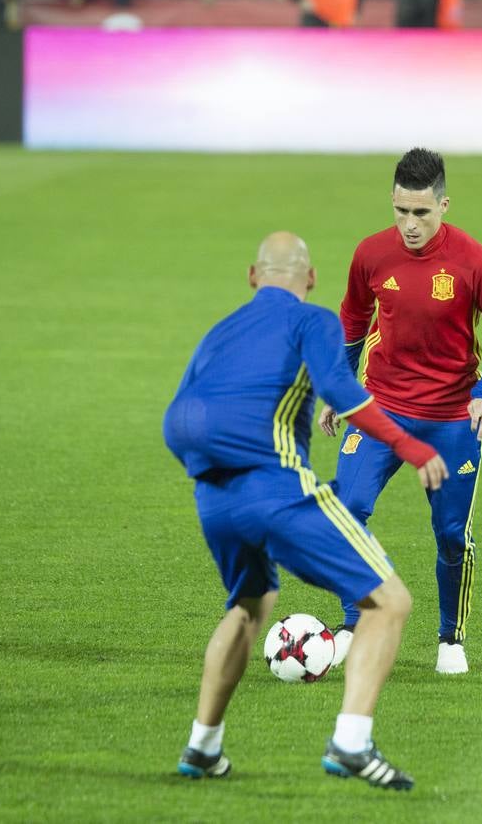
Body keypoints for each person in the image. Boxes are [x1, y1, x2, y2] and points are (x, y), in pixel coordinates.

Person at [164, 232, 448, 791]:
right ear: (311, 279)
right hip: (277, 491)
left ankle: (203, 746)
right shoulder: (312, 321)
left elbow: (180, 415)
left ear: (252, 277)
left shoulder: (216, 334)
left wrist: (212, 474)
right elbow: (342, 389)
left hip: (213, 499)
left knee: (251, 603)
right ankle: (350, 742)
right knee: (389, 602)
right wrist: (412, 447)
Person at [318, 149, 482, 676]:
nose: (410, 225)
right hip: (379, 408)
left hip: (451, 419)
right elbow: (352, 316)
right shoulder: (370, 255)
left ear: (444, 205)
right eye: (401, 211)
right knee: (348, 510)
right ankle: (351, 624)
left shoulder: (473, 261)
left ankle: (450, 638)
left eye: (422, 213)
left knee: (451, 534)